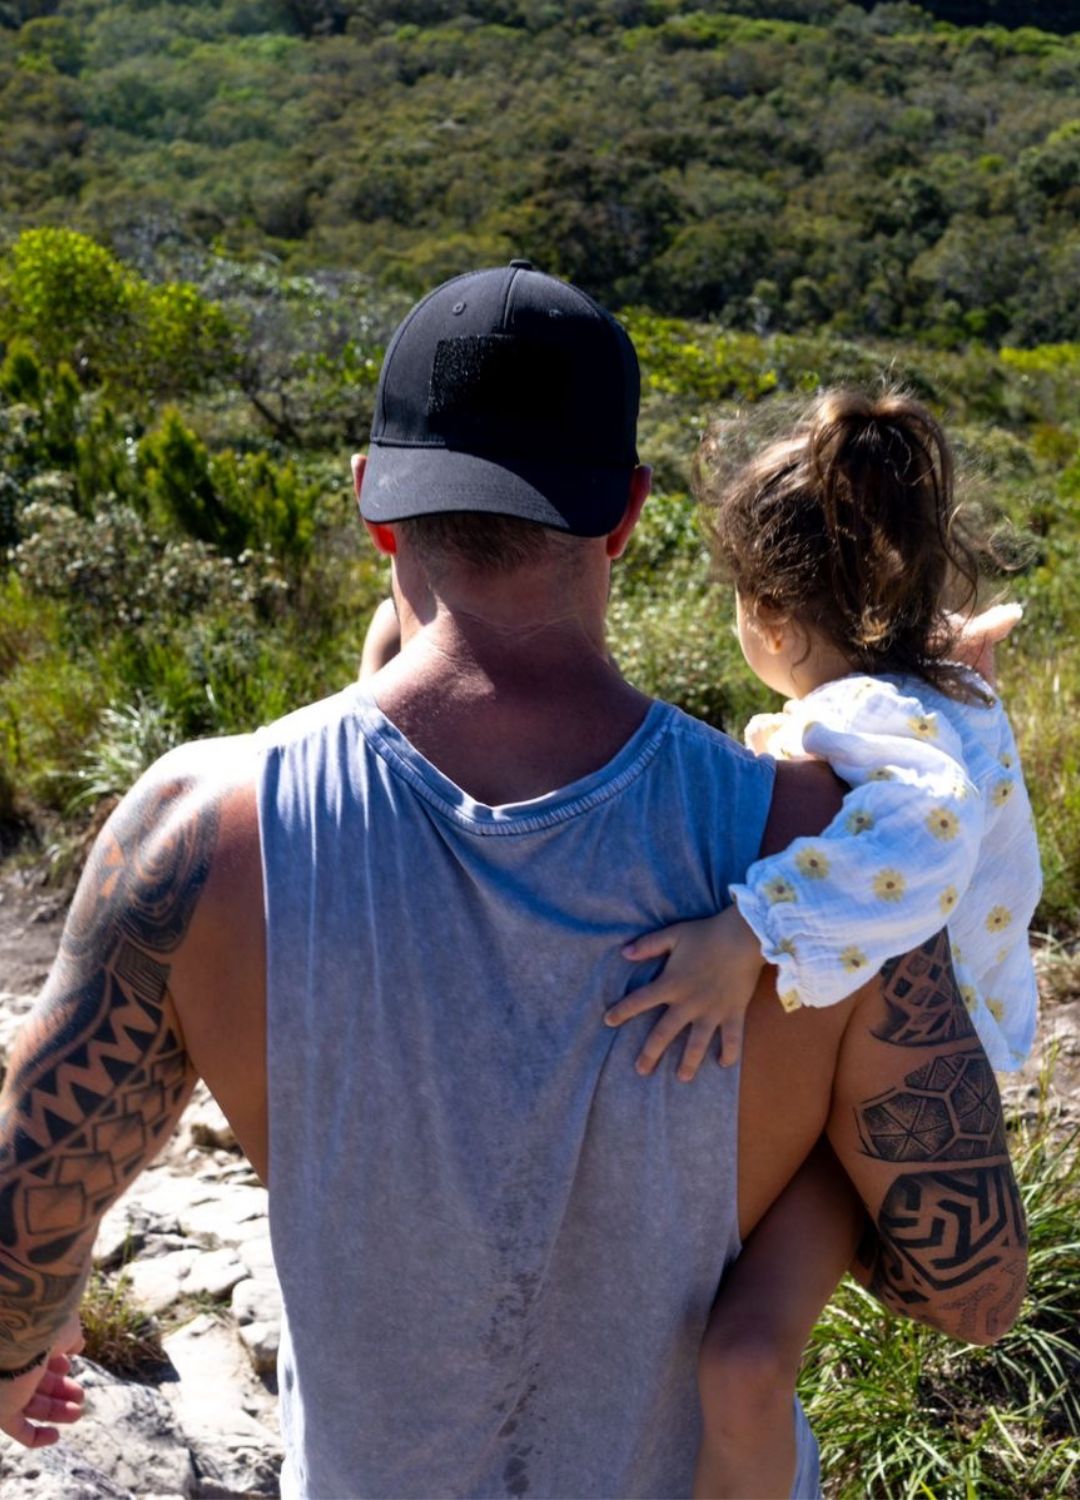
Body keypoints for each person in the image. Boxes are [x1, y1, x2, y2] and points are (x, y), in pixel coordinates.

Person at [0, 266, 1027, 1499]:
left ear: (376, 509)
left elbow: (29, 1215)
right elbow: (973, 1289)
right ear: (629, 518)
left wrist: (25, 1341)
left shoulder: (200, 831)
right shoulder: (823, 852)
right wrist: (797, 1141)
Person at [600, 389, 1040, 1496]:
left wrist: (752, 931)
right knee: (740, 1350)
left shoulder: (864, 718)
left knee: (744, 1361)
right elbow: (935, 749)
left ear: (771, 615)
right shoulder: (932, 693)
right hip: (930, 1069)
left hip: (899, 1093)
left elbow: (927, 825)